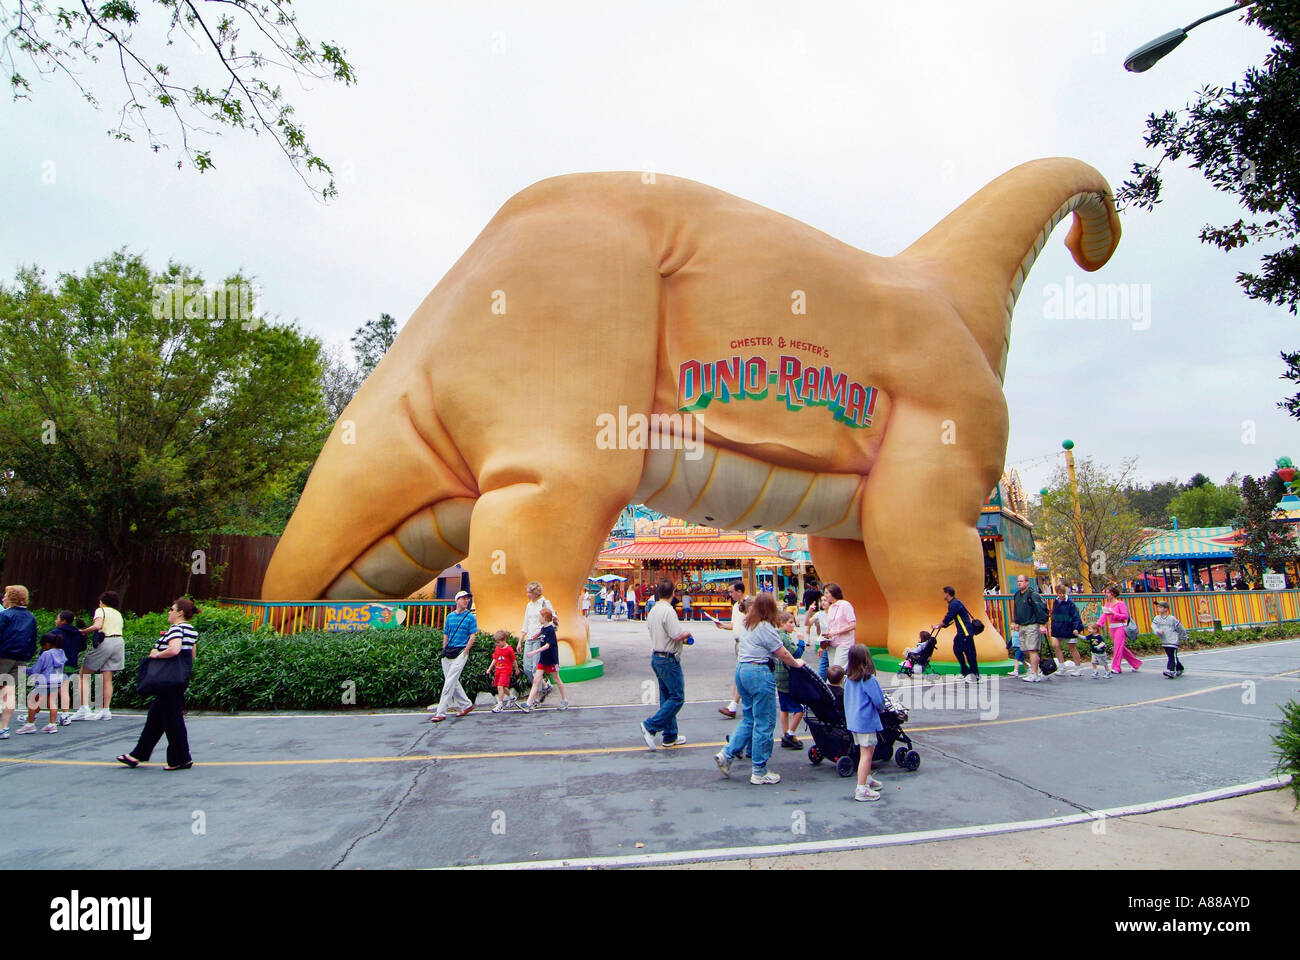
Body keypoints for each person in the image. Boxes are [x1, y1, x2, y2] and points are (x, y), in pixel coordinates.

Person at [714, 592, 805, 785]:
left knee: (749, 719)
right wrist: (797, 664)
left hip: (742, 670)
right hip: (759, 672)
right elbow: (783, 653)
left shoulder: (748, 623)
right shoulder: (765, 627)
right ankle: (759, 770)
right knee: (765, 721)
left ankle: (727, 754)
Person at [115, 598, 200, 770]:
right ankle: (138, 754)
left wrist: (156, 654)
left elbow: (174, 649)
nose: (169, 612)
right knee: (156, 717)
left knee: (172, 719)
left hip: (168, 680)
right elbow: (191, 655)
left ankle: (181, 758)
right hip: (178, 678)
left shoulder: (176, 629)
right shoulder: (191, 630)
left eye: (171, 609)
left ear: (180, 612)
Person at [640, 579, 693, 749]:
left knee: (666, 696)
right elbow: (677, 634)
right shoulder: (668, 611)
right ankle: (651, 726)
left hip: (656, 655)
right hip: (668, 658)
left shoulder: (654, 610)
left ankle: (670, 735)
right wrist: (687, 633)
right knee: (677, 697)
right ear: (673, 593)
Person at [74, 590, 126, 720]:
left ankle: (84, 708)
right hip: (119, 642)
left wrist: (82, 631)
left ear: (102, 602)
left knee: (83, 674)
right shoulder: (118, 613)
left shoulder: (100, 610)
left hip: (105, 641)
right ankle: (106, 710)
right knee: (107, 677)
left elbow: (97, 626)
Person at [844, 644, 886, 802]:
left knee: (867, 750)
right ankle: (861, 788)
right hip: (866, 720)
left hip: (854, 720)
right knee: (867, 754)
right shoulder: (868, 679)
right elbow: (879, 700)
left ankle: (866, 778)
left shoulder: (849, 678)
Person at [429, 590, 478, 723]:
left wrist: (466, 651)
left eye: (467, 599)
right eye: (463, 599)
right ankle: (466, 704)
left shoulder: (470, 617)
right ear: (456, 600)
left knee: (449, 681)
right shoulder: (450, 617)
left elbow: (472, 636)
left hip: (461, 652)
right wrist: (444, 649)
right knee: (452, 681)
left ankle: (441, 712)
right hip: (448, 651)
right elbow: (446, 633)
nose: (465, 601)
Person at [0, 584, 39, 740]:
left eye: (5, 595)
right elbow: (33, 640)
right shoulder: (31, 617)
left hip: (3, 655)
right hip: (21, 657)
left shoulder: (5, 615)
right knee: (8, 692)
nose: (3, 598)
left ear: (11, 598)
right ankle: (4, 728)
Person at [15, 631, 66, 735]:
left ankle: (30, 724)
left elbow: (35, 670)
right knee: (52, 702)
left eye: (43, 646)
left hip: (44, 681)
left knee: (32, 700)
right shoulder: (61, 652)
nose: (43, 648)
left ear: (47, 644)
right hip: (56, 681)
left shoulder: (46, 654)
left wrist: (23, 669)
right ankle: (52, 725)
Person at [526, 608, 570, 710]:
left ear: (545, 618)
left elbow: (547, 646)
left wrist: (534, 652)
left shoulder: (550, 630)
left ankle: (564, 700)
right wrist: (533, 636)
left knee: (556, 679)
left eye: (540, 616)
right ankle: (528, 703)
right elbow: (538, 635)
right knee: (536, 680)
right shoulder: (543, 629)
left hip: (551, 659)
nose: (538, 618)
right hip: (543, 659)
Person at [775, 610, 807, 750]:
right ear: (782, 623)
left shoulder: (775, 635)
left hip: (778, 674)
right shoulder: (786, 638)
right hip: (787, 676)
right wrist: (801, 641)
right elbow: (796, 654)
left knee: (784, 707)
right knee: (798, 710)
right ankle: (790, 733)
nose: (793, 625)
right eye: (790, 622)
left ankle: (785, 733)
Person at [520, 582, 557, 702]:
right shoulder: (529, 605)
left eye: (529, 593)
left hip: (539, 639)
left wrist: (542, 632)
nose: (527, 595)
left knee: (535, 669)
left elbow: (553, 620)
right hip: (529, 638)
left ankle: (536, 695)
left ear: (535, 593)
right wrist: (520, 640)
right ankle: (545, 686)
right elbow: (526, 623)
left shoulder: (545, 603)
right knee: (526, 668)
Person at [715, 581, 748, 719]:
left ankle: (734, 705)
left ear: (739, 591)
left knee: (741, 674)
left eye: (731, 591)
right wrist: (722, 626)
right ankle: (735, 705)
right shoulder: (735, 606)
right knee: (741, 673)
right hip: (738, 643)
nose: (730, 594)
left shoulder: (749, 605)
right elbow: (735, 625)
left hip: (746, 644)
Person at [1009, 574, 1050, 682]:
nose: (1019, 583)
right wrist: (1016, 622)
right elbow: (1016, 609)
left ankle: (1035, 673)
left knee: (1032, 649)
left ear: (1027, 582)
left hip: (1032, 624)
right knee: (1024, 649)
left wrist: (1042, 624)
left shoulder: (1033, 594)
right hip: (1022, 625)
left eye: (1021, 581)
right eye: (1018, 581)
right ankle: (1037, 667)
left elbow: (1040, 609)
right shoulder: (1017, 595)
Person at [933, 586, 978, 682]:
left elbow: (948, 617)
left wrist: (938, 625)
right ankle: (965, 671)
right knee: (957, 649)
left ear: (947, 594)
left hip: (966, 632)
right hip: (961, 633)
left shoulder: (954, 604)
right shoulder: (955, 603)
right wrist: (943, 626)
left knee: (970, 654)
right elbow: (953, 619)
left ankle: (975, 675)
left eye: (943, 593)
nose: (942, 595)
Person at [50, 612, 85, 726]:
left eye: (57, 618)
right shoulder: (78, 633)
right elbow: (82, 647)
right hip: (72, 664)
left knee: (50, 689)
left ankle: (33, 715)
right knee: (63, 688)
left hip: (58, 664)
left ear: (63, 621)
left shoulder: (56, 633)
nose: (56, 621)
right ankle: (65, 715)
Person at [1098, 585, 1142, 674]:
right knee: (1121, 647)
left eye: (1107, 592)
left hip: (1120, 627)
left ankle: (1116, 667)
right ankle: (1136, 663)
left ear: (1113, 594)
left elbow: (1125, 616)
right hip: (1112, 628)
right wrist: (1099, 623)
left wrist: (1114, 613)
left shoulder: (1120, 604)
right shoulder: (1107, 604)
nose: (1106, 594)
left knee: (1118, 647)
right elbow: (1104, 615)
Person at [1049, 583, 1086, 676]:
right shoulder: (1056, 602)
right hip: (1057, 628)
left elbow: (1076, 616)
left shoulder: (1070, 603)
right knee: (1055, 645)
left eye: (1063, 593)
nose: (1061, 595)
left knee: (1072, 648)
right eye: (1059, 593)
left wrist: (1076, 628)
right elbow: (1054, 616)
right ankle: (1062, 667)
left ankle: (1078, 668)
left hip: (1068, 628)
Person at [821, 583, 857, 671]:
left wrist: (837, 632)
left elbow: (853, 625)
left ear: (833, 593)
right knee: (832, 669)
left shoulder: (845, 605)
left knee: (838, 669)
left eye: (827, 593)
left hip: (844, 643)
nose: (825, 596)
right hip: (832, 643)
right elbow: (830, 625)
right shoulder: (831, 607)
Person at [486, 631, 521, 713]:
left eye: (499, 642)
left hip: (505, 671)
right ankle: (512, 697)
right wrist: (489, 668)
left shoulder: (509, 650)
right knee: (504, 687)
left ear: (504, 640)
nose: (497, 644)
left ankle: (500, 705)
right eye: (496, 643)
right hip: (498, 670)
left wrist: (516, 669)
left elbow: (514, 660)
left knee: (500, 687)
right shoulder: (497, 648)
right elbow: (495, 659)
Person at [1151, 601, 1187, 678]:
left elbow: (1180, 628)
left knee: (1171, 655)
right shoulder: (1157, 618)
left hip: (1173, 640)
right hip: (1165, 640)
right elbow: (1154, 626)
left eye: (1160, 607)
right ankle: (1180, 668)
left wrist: (1184, 636)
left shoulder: (1172, 619)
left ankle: (1171, 670)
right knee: (1172, 656)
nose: (1158, 608)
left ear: (1166, 609)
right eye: (1158, 607)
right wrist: (1157, 631)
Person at [808, 594, 831, 680]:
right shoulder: (820, 614)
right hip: (825, 645)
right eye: (821, 600)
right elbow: (807, 623)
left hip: (834, 644)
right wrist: (809, 611)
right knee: (821, 672)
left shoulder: (834, 614)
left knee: (835, 670)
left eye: (825, 600)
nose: (823, 603)